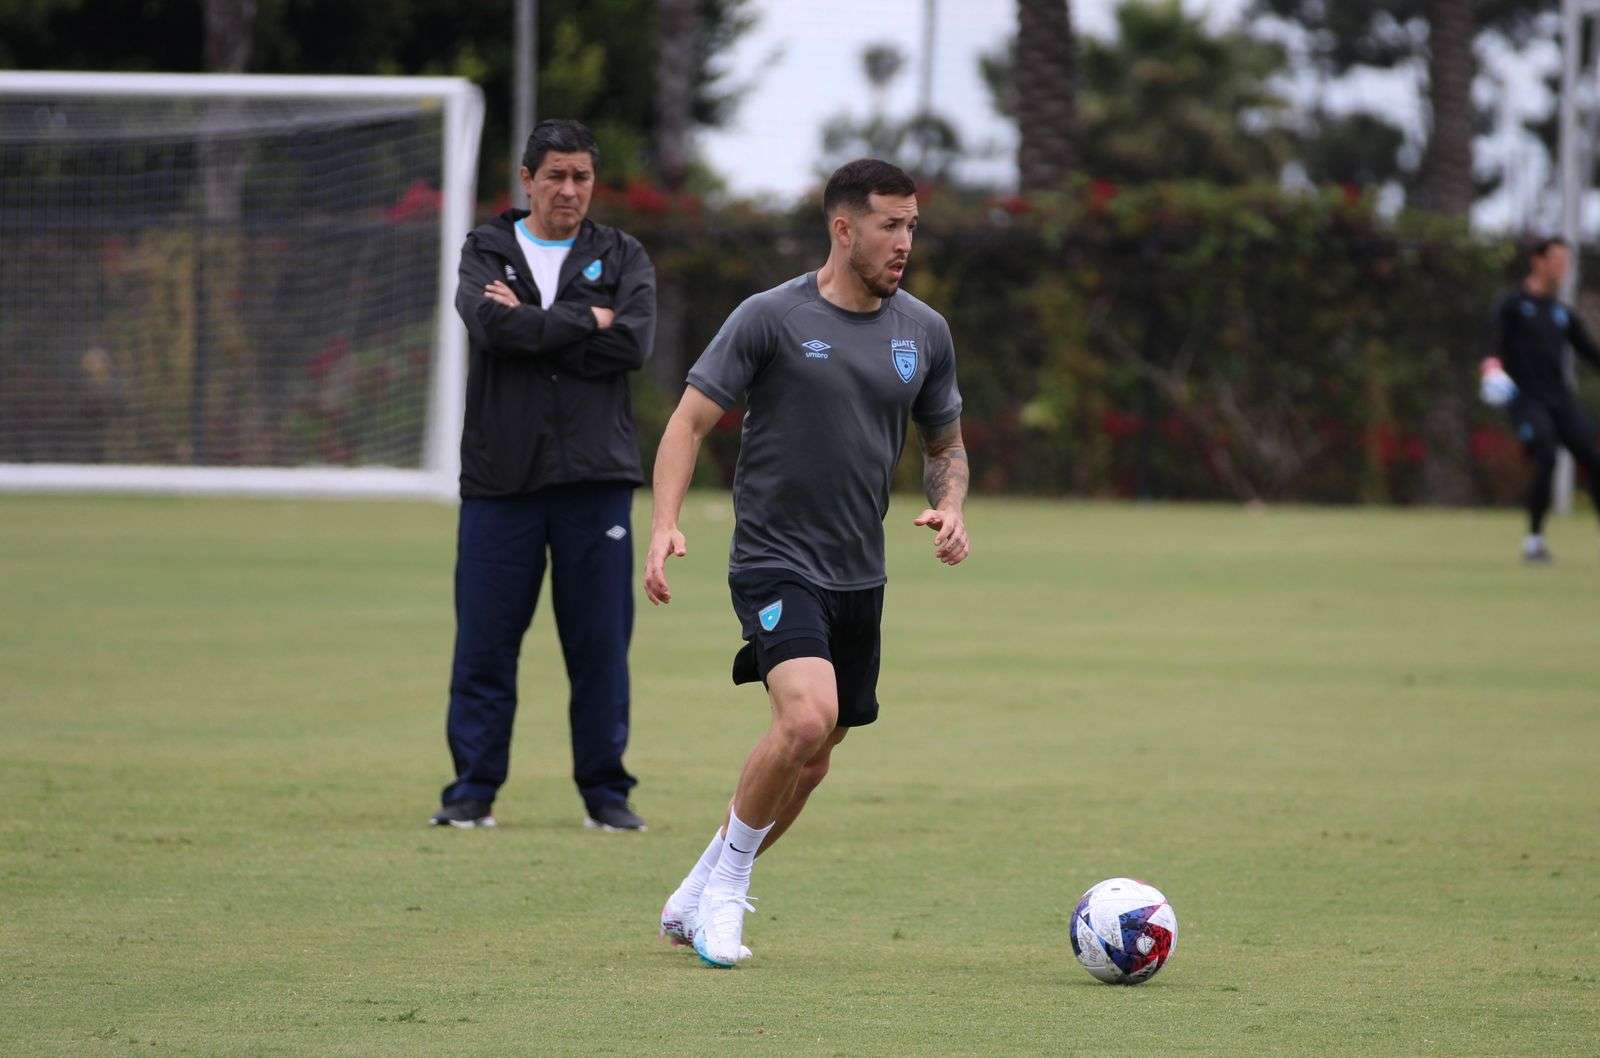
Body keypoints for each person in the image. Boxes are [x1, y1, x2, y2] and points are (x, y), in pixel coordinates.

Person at [643, 158, 970, 967]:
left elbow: (945, 445)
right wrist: (665, 523)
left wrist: (952, 505)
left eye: (912, 226)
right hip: (774, 561)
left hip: (860, 572)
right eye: (890, 226)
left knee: (815, 760)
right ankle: (727, 895)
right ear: (844, 228)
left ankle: (696, 889)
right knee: (804, 719)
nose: (905, 242)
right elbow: (688, 423)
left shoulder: (924, 332)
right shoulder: (770, 318)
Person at [431, 119, 656, 831]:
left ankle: (606, 796)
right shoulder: (486, 249)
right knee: (485, 645)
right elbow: (490, 328)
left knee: (599, 647)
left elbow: (633, 344)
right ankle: (471, 794)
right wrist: (587, 320)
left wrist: (534, 323)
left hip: (596, 482)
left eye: (581, 176)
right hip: (501, 481)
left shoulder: (623, 254)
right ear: (526, 179)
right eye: (555, 175)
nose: (568, 188)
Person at [1491, 236, 1600, 563]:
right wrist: (1491, 368)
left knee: (1593, 456)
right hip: (1526, 399)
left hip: (1560, 398)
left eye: (1566, 262)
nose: (1562, 268)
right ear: (1537, 262)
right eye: (1556, 261)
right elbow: (1491, 345)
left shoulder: (1560, 312)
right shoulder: (1513, 305)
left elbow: (1589, 352)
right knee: (1547, 454)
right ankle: (1534, 542)